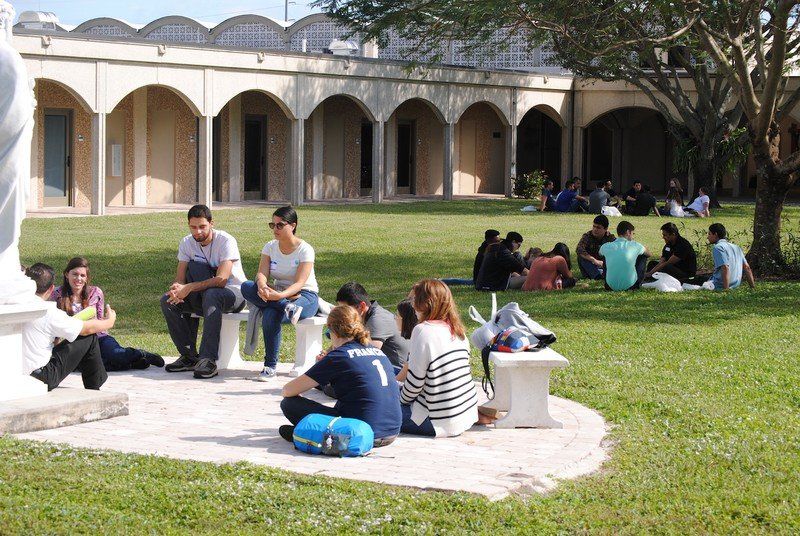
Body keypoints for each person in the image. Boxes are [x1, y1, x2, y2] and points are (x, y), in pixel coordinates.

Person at [278, 305, 401, 447]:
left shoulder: (339, 356)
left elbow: (288, 390)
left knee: (289, 403)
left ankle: (313, 435)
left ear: (333, 331)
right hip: (392, 431)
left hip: (358, 432)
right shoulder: (377, 352)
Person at [161, 205, 247, 379]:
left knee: (212, 294)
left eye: (202, 226)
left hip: (233, 294)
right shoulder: (186, 242)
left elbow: (222, 279)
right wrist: (177, 289)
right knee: (167, 301)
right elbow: (180, 277)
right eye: (193, 227)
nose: (197, 231)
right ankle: (189, 356)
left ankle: (208, 359)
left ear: (211, 223)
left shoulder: (225, 241)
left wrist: (190, 287)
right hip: (205, 296)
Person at [242, 206, 320, 381]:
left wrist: (279, 296)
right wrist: (262, 286)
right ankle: (287, 308)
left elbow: (300, 282)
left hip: (304, 296)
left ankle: (269, 367)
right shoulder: (270, 247)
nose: (275, 229)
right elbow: (261, 273)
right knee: (247, 286)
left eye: (280, 225)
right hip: (279, 296)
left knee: (270, 314)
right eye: (272, 225)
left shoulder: (305, 249)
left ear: (293, 225)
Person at [52, 257, 163, 371]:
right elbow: (54, 322)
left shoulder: (95, 292)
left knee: (116, 354)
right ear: (66, 274)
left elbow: (101, 320)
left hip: (98, 337)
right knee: (84, 365)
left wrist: (106, 320)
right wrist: (55, 345)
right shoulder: (57, 294)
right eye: (74, 274)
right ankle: (131, 364)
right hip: (75, 341)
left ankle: (140, 354)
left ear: (87, 278)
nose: (78, 278)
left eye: (82, 275)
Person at [399, 279, 478, 437]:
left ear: (425, 303)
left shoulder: (422, 331)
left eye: (414, 300)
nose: (412, 305)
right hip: (465, 413)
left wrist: (398, 399)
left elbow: (414, 385)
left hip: (438, 421)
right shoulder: (457, 330)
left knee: (377, 404)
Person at [22, 263, 113, 391]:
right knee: (89, 338)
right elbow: (87, 329)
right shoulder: (48, 312)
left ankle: (96, 382)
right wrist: (110, 321)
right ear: (51, 289)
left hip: (14, 372)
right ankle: (94, 387)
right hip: (41, 377)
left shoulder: (12, 305)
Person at [335, 282, 409, 370]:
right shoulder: (362, 316)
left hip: (396, 372)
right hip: (382, 367)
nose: (343, 314)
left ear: (362, 306)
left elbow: (367, 355)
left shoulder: (377, 320)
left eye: (346, 309)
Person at [599, 220, 651, 291]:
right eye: (633, 233)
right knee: (643, 256)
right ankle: (637, 282)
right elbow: (649, 254)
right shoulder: (635, 245)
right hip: (631, 286)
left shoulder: (606, 246)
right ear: (628, 232)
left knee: (606, 255)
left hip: (609, 287)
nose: (633, 237)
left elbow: (600, 253)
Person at [704, 223, 755, 290]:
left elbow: (725, 267)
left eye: (709, 234)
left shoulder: (718, 247)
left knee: (692, 281)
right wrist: (752, 287)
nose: (708, 237)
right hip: (735, 285)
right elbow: (747, 267)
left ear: (715, 234)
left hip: (718, 285)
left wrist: (726, 289)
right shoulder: (737, 247)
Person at [576, 215, 616, 280]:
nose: (595, 229)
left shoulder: (610, 238)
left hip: (604, 265)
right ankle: (598, 276)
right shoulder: (587, 236)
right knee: (581, 257)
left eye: (598, 227)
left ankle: (604, 274)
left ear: (605, 229)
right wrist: (594, 260)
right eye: (594, 226)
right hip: (590, 265)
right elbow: (579, 249)